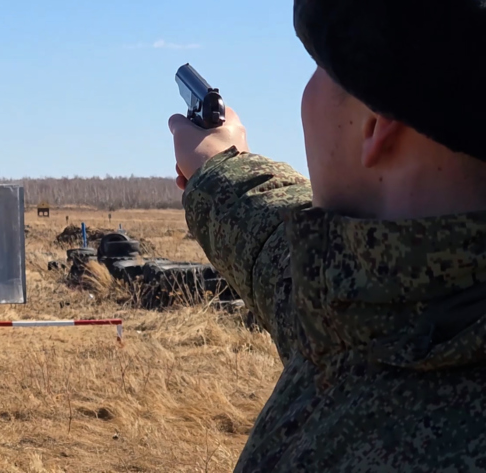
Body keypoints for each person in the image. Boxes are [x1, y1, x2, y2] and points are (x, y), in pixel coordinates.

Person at [169, 1, 486, 471]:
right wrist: (220, 168)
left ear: (377, 125)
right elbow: (283, 260)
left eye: (322, 67)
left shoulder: (379, 315)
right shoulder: (374, 298)